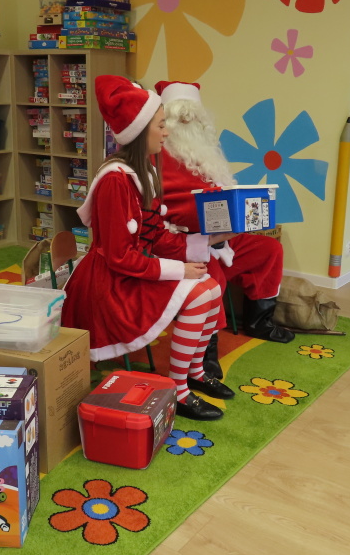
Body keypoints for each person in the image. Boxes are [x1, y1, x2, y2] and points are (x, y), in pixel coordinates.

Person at [60, 76, 236, 420]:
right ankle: (178, 390)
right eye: (160, 125)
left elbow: (155, 236)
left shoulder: (145, 172)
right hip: (109, 286)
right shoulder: (115, 180)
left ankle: (195, 373)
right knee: (199, 294)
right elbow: (118, 256)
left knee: (212, 287)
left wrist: (206, 242)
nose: (166, 133)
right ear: (141, 132)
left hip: (133, 271)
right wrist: (179, 269)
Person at [155, 80, 296, 356]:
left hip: (221, 239)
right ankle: (205, 351)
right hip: (185, 244)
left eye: (193, 117)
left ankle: (259, 322)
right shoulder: (156, 157)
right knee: (212, 275)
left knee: (269, 250)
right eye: (182, 118)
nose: (189, 123)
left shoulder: (207, 154)